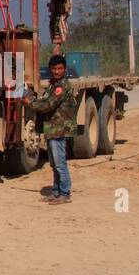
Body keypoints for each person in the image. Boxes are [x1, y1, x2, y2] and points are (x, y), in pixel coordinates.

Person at [26, 54, 78, 204]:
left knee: (60, 162)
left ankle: (64, 193)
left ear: (65, 69)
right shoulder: (53, 85)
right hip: (52, 128)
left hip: (58, 129)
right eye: (54, 69)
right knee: (54, 163)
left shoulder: (61, 86)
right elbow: (46, 101)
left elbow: (49, 105)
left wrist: (30, 103)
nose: (56, 71)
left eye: (60, 68)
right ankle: (56, 192)